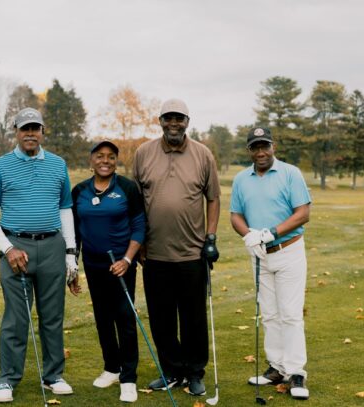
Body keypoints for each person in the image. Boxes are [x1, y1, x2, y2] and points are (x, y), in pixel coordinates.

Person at [0, 107, 80, 403]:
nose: (31, 133)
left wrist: (70, 253)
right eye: (25, 129)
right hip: (16, 247)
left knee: (53, 317)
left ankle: (53, 376)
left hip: (52, 247)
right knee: (16, 318)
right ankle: (7, 379)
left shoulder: (59, 165)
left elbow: (65, 210)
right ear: (16, 131)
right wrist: (7, 248)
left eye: (36, 128)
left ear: (43, 131)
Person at [133, 98, 220, 397]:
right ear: (160, 121)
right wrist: (138, 241)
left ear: (187, 121)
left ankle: (194, 372)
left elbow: (213, 198)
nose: (174, 123)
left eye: (179, 118)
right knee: (161, 317)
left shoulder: (203, 154)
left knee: (193, 317)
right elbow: (135, 201)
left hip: (192, 253)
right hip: (154, 254)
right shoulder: (144, 153)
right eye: (168, 118)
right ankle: (172, 371)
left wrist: (210, 238)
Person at [230, 127, 311, 400]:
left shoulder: (290, 173)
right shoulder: (242, 179)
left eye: (265, 146)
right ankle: (277, 367)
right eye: (256, 147)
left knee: (290, 314)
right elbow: (235, 216)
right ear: (249, 151)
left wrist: (271, 232)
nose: (261, 152)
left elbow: (303, 213)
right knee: (269, 314)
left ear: (273, 147)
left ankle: (296, 372)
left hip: (288, 251)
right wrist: (249, 235)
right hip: (260, 254)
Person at [71, 140, 145, 403]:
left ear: (116, 161)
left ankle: (128, 377)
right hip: (93, 264)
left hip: (121, 265)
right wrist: (73, 266)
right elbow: (75, 231)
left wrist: (127, 258)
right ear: (91, 160)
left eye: (111, 157)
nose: (105, 161)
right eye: (100, 156)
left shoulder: (127, 188)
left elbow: (138, 226)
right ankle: (111, 368)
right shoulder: (79, 190)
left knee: (124, 317)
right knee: (102, 317)